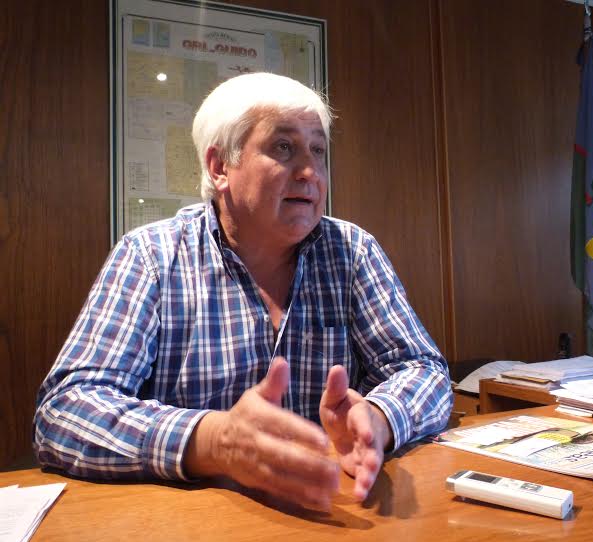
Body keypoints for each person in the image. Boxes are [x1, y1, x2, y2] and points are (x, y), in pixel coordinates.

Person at [34, 72, 453, 512]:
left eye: (318, 151)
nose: (310, 172)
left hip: (338, 511)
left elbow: (423, 369)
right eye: (284, 147)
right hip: (196, 522)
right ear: (220, 168)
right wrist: (216, 442)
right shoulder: (151, 256)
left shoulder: (352, 250)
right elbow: (64, 412)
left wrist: (380, 419)